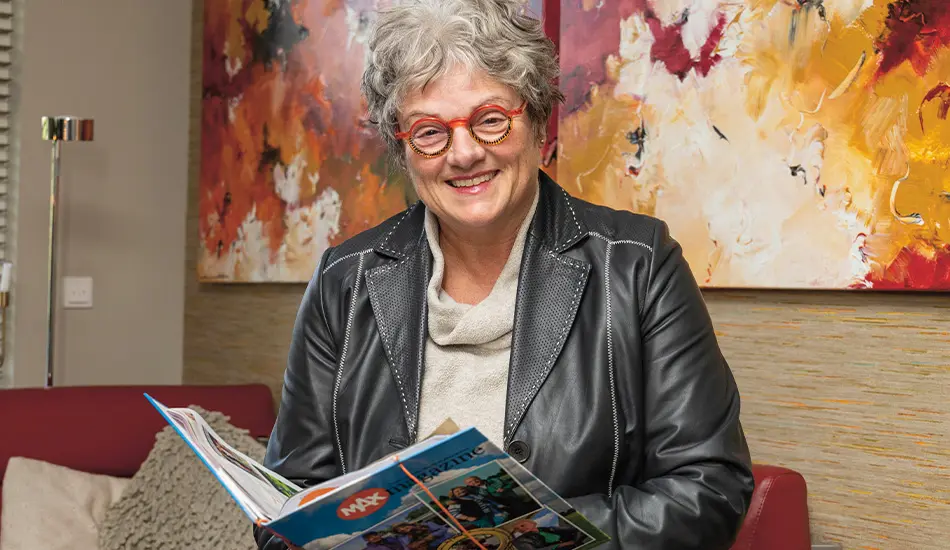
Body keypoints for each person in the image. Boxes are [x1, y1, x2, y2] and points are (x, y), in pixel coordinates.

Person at [254, 0, 754, 549]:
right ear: (403, 146)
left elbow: (708, 491)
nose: (464, 153)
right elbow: (289, 503)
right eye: (430, 131)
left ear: (536, 120)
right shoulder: (342, 282)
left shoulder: (639, 265)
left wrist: (514, 537)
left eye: (490, 120)